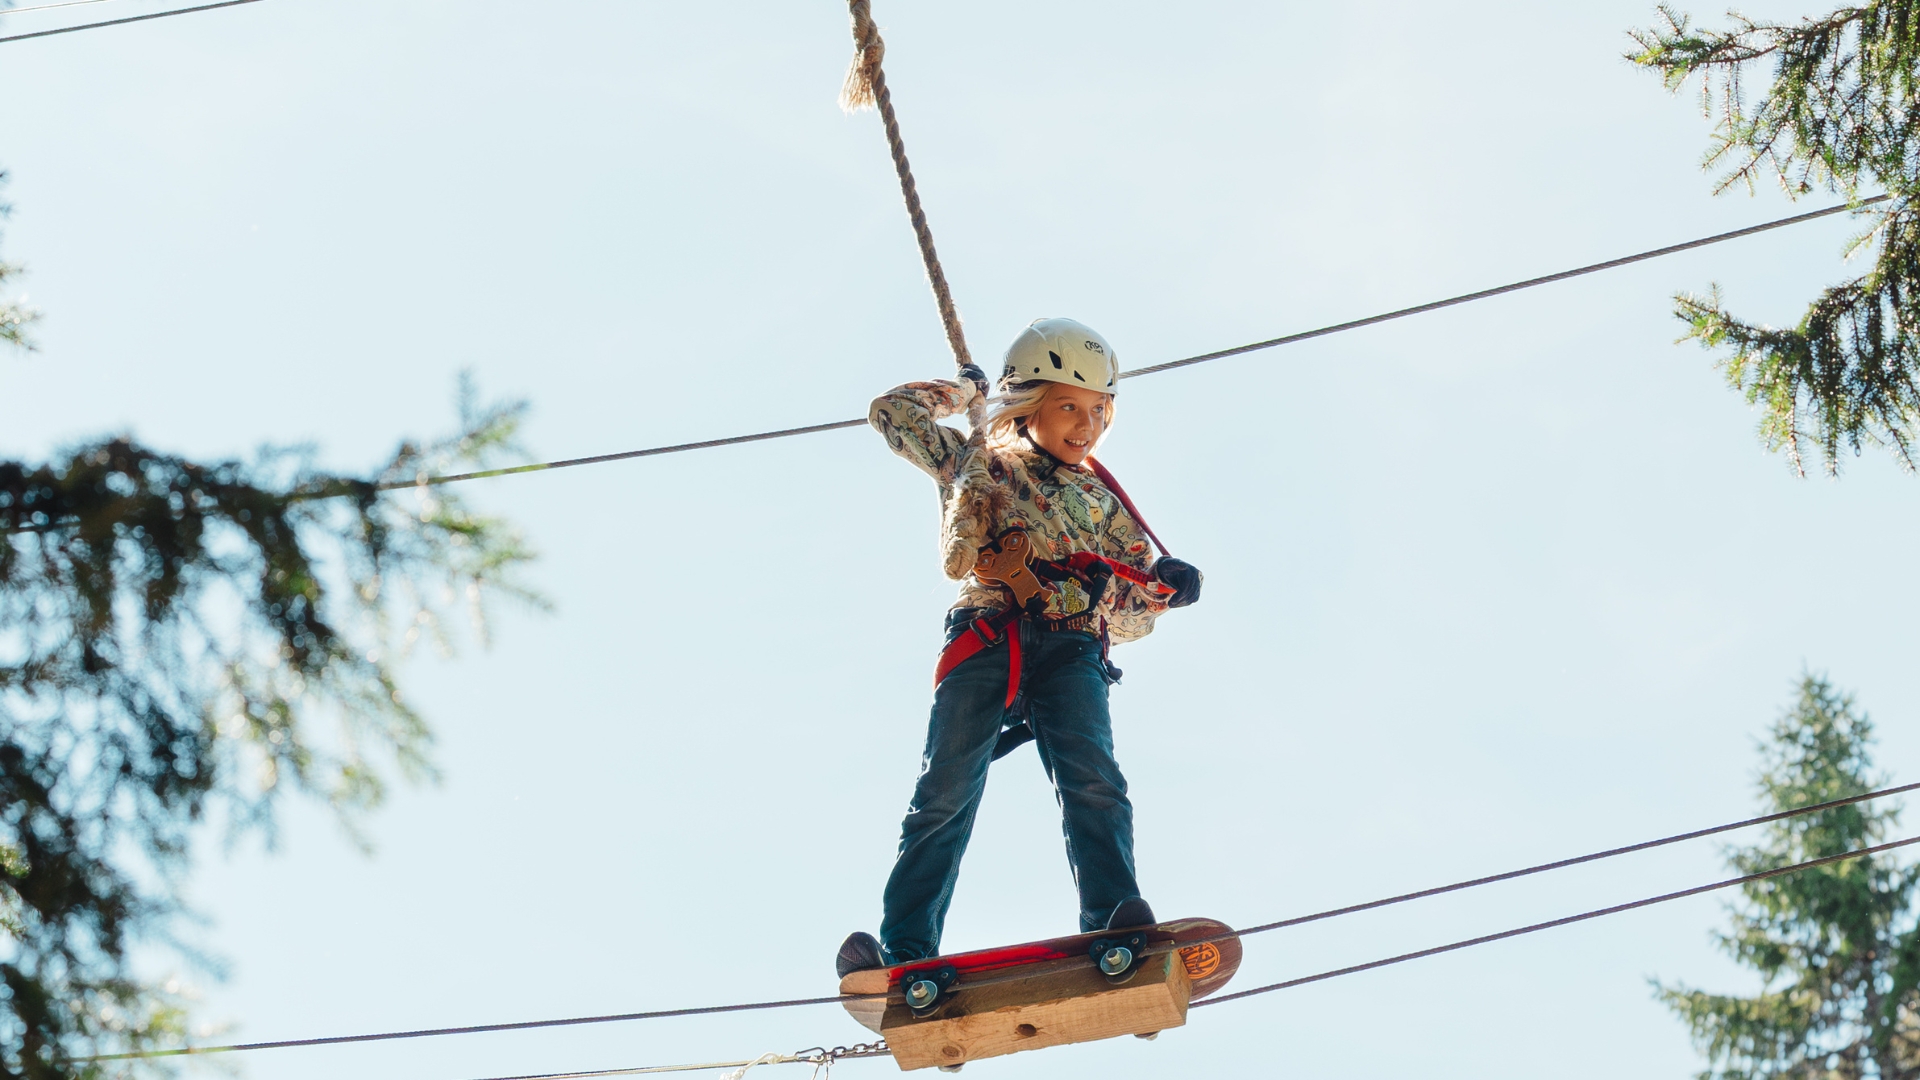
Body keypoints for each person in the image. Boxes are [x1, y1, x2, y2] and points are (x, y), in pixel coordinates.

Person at [837, 317, 1203, 978]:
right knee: (944, 791)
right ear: (1028, 405)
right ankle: (906, 952)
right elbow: (892, 413)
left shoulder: (1102, 501)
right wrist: (961, 392)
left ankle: (1113, 919)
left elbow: (1131, 618)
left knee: (1094, 779)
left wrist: (1161, 592)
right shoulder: (980, 460)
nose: (1085, 425)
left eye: (1098, 411)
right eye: (1068, 406)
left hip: (1071, 646)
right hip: (989, 633)